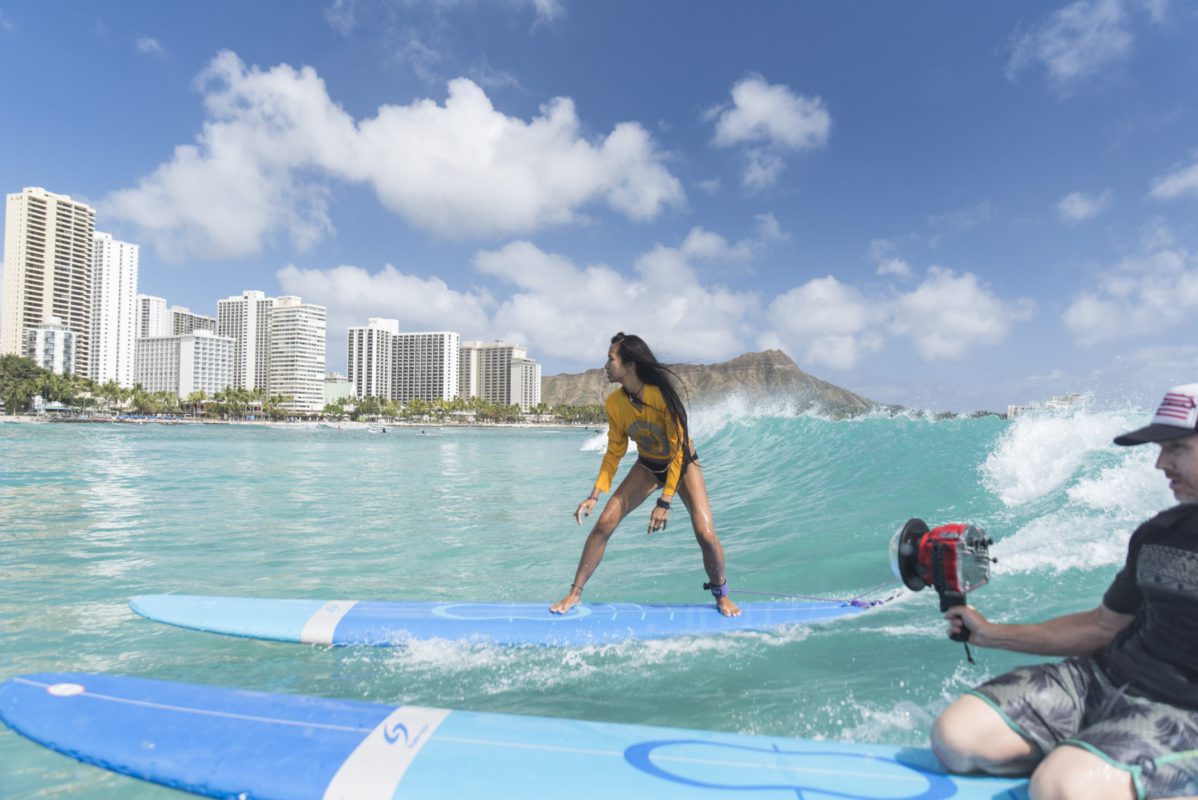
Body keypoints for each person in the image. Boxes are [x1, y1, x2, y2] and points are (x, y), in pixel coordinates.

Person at [931, 383, 1198, 800]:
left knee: (1061, 786)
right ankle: (1099, 757)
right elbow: (1102, 625)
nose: (1160, 463)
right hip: (1103, 680)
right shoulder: (1158, 534)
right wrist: (989, 633)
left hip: (1184, 714)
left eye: (1177, 447)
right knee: (958, 737)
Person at [550, 333, 740, 617]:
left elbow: (678, 452)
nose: (606, 365)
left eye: (611, 359)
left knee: (706, 533)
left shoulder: (661, 398)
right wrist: (594, 495)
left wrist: (664, 502)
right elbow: (615, 450)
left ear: (630, 365)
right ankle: (574, 594)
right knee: (605, 522)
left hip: (684, 464)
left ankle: (721, 594)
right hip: (648, 466)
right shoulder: (615, 403)